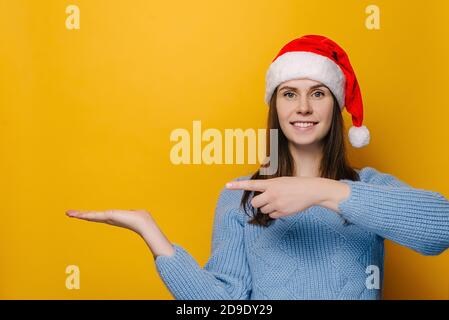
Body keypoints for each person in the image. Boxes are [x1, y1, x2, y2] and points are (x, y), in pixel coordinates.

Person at [66, 34, 449, 299]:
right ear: (276, 107)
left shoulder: (367, 187)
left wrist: (321, 191)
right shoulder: (243, 197)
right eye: (289, 94)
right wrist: (152, 236)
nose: (303, 107)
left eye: (317, 93)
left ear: (335, 106)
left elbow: (441, 227)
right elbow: (227, 300)